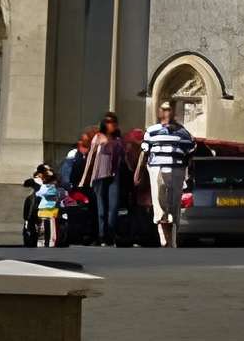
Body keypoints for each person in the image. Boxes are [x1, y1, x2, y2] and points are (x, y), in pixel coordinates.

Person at [136, 99, 195, 249]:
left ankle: (173, 240)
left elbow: (190, 153)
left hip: (177, 169)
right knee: (159, 203)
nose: (167, 113)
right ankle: (164, 239)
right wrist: (138, 171)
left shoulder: (183, 133)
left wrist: (189, 174)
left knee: (174, 204)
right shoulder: (151, 131)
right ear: (159, 112)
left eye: (169, 110)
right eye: (164, 110)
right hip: (156, 168)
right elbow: (144, 152)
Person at [79, 112, 129, 247]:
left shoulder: (118, 139)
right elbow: (91, 158)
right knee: (101, 208)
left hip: (114, 175)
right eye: (108, 121)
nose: (111, 124)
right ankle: (102, 236)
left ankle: (111, 235)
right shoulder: (98, 137)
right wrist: (86, 178)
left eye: (113, 121)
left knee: (113, 207)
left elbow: (124, 157)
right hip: (99, 175)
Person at [31, 163, 62, 249]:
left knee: (50, 225)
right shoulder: (46, 185)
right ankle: (44, 241)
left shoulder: (51, 186)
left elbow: (44, 193)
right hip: (45, 207)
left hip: (49, 207)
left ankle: (49, 241)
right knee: (44, 225)